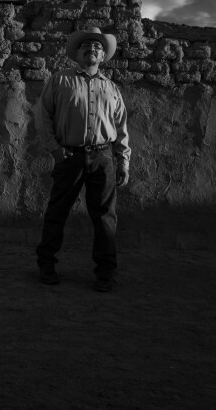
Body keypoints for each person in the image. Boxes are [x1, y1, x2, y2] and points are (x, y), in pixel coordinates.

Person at [34, 28, 131, 292]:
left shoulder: (111, 88)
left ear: (103, 56)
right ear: (77, 54)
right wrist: (54, 148)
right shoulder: (59, 80)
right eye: (86, 45)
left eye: (97, 47)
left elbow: (121, 127)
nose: (92, 49)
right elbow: (43, 116)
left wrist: (123, 161)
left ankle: (105, 273)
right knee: (57, 212)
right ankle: (46, 265)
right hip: (70, 156)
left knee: (105, 218)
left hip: (103, 157)